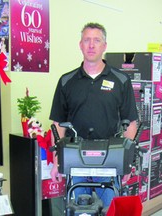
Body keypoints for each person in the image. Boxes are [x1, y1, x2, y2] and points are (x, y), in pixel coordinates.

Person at [49, 22, 138, 208]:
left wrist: (126, 163)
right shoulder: (67, 81)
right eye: (86, 40)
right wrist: (57, 162)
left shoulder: (121, 80)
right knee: (79, 211)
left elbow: (130, 123)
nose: (91, 45)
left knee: (110, 210)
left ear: (104, 46)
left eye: (96, 40)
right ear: (80, 44)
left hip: (110, 158)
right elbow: (58, 124)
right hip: (75, 158)